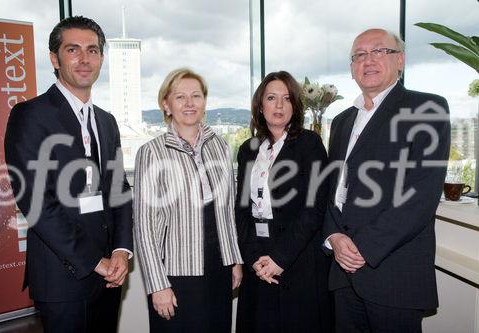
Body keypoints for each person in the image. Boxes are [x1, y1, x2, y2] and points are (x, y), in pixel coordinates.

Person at [4, 16, 133, 333]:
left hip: (109, 276)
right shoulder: (31, 115)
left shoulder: (106, 122)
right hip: (63, 279)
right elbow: (36, 202)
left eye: (93, 50)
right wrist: (94, 260)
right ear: (54, 58)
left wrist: (120, 250)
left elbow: (119, 191)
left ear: (101, 57)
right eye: (73, 49)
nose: (85, 59)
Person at [323, 28, 450, 332]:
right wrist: (334, 238)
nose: (369, 60)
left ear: (401, 61)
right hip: (343, 275)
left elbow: (420, 196)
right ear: (352, 68)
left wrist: (362, 248)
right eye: (360, 55)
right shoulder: (341, 122)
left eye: (379, 51)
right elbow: (332, 191)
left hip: (393, 275)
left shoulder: (426, 110)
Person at [134, 68, 243, 333]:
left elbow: (227, 211)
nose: (190, 103)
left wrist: (235, 259)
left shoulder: (220, 145)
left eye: (196, 95)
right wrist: (158, 284)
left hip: (219, 265)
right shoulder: (151, 152)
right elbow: (144, 226)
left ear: (205, 102)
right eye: (180, 97)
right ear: (166, 104)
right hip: (175, 271)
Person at [235, 71, 333, 333]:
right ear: (260, 105)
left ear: (295, 106)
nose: (279, 105)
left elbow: (314, 209)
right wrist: (254, 256)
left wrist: (279, 258)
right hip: (258, 258)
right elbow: (242, 209)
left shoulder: (309, 144)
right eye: (271, 97)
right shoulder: (248, 148)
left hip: (297, 257)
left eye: (287, 98)